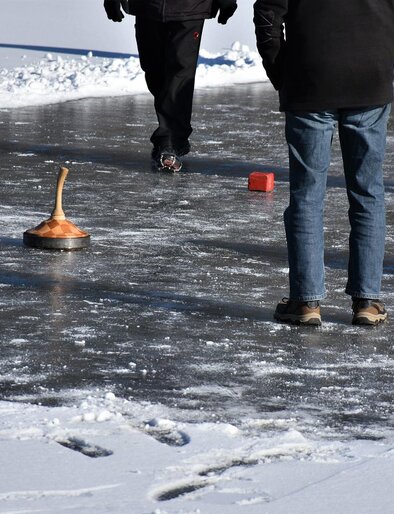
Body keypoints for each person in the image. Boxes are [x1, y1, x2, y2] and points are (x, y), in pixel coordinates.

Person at [253, 0, 394, 326]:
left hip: (310, 78)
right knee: (367, 192)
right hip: (369, 77)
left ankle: (305, 302)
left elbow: (267, 12)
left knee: (306, 193)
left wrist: (282, 71)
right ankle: (368, 301)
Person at [104, 0, 237, 172]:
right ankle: (175, 139)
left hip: (190, 9)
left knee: (180, 74)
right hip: (148, 8)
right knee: (154, 71)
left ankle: (170, 141)